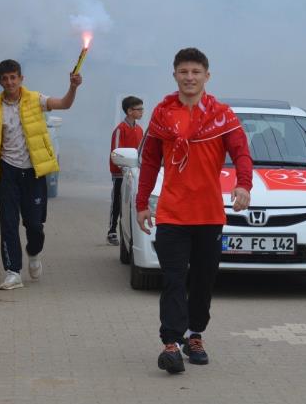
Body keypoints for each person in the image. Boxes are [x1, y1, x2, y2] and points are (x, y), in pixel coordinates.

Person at [136, 47, 253, 375]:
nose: (189, 77)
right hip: (173, 213)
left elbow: (242, 152)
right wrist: (142, 203)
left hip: (210, 215)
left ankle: (195, 335)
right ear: (175, 75)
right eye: (184, 72)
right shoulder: (162, 113)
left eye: (195, 72)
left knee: (203, 281)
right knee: (174, 279)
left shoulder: (222, 115)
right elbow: (149, 161)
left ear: (206, 76)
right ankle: (171, 343)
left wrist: (243, 185)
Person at [0, 59, 82, 290]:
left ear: (21, 79)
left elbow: (64, 104)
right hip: (7, 171)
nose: (10, 82)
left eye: (13, 77)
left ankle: (34, 252)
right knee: (8, 223)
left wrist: (73, 87)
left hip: (34, 172)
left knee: (34, 225)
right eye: (5, 78)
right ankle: (12, 271)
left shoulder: (35, 99)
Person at [107, 96, 145, 245]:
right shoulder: (119, 130)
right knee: (117, 201)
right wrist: (123, 169)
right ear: (129, 111)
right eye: (139, 109)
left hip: (135, 174)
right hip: (120, 174)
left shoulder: (140, 129)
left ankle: (129, 232)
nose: (142, 112)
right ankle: (112, 231)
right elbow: (116, 153)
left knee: (132, 204)